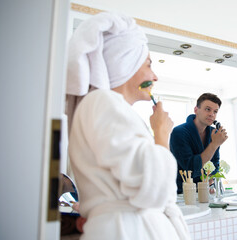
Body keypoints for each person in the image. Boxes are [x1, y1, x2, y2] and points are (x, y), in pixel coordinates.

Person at [66, 12, 189, 240]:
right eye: (149, 64)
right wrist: (161, 134)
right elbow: (152, 188)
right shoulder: (102, 101)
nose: (155, 76)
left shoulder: (109, 108)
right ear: (125, 62)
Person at [170, 93, 228, 193]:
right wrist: (214, 145)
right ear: (196, 110)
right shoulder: (178, 132)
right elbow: (190, 169)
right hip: (182, 193)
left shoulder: (213, 133)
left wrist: (210, 182)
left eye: (215, 111)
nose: (212, 114)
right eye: (207, 109)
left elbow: (215, 166)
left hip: (206, 191)